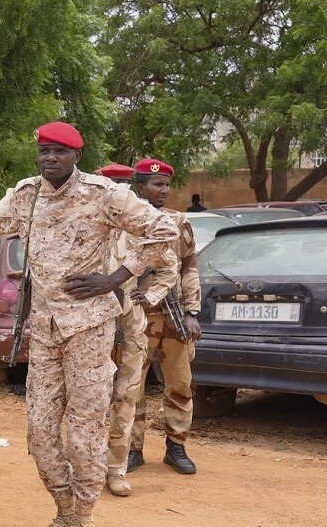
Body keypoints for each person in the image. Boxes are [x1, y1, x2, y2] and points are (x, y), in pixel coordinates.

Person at [0, 122, 178, 527]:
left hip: (89, 329)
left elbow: (163, 229)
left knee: (83, 435)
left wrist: (115, 278)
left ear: (76, 155)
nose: (50, 158)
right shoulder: (26, 195)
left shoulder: (104, 194)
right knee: (40, 433)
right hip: (44, 331)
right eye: (45, 151)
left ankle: (83, 516)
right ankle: (64, 509)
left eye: (60, 152)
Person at [127, 158, 202, 477]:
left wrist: (192, 312)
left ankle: (176, 447)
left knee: (180, 384)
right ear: (140, 187)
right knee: (131, 386)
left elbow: (189, 268)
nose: (164, 190)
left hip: (174, 316)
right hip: (136, 317)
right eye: (157, 184)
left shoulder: (179, 221)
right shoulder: (125, 220)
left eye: (167, 185)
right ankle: (132, 449)